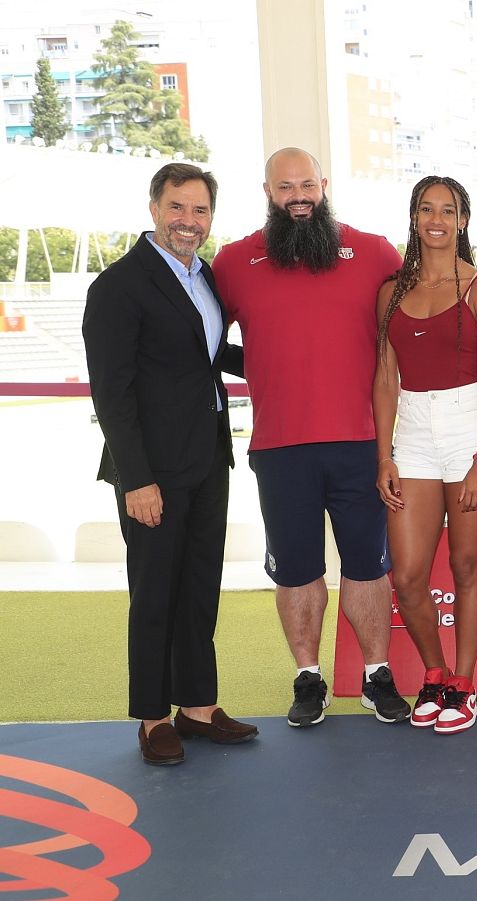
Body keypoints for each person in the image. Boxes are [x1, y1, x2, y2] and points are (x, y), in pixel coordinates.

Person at [212, 148, 410, 727]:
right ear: (267, 191)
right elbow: (198, 335)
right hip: (279, 449)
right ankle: (308, 677)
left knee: (368, 567)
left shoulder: (374, 253)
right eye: (284, 187)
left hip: (360, 445)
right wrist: (261, 363)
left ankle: (376, 675)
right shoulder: (233, 261)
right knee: (298, 570)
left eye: (307, 184)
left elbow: (407, 335)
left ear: (324, 186)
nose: (297, 195)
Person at [84, 162, 257, 764]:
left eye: (200, 210)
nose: (189, 221)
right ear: (155, 209)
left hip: (209, 455)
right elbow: (112, 392)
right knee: (155, 590)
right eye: (178, 208)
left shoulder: (204, 278)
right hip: (152, 469)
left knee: (200, 585)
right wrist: (137, 479)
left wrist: (284, 357)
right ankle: (153, 716)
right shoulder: (118, 286)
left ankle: (198, 707)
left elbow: (205, 356)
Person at [373, 176, 477, 734]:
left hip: (468, 427)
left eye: (447, 210)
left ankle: (464, 682)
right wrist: (385, 454)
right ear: (413, 218)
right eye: (426, 209)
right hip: (413, 434)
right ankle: (434, 672)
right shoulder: (390, 292)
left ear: (462, 220)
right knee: (406, 575)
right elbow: (385, 378)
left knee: (466, 565)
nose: (436, 219)